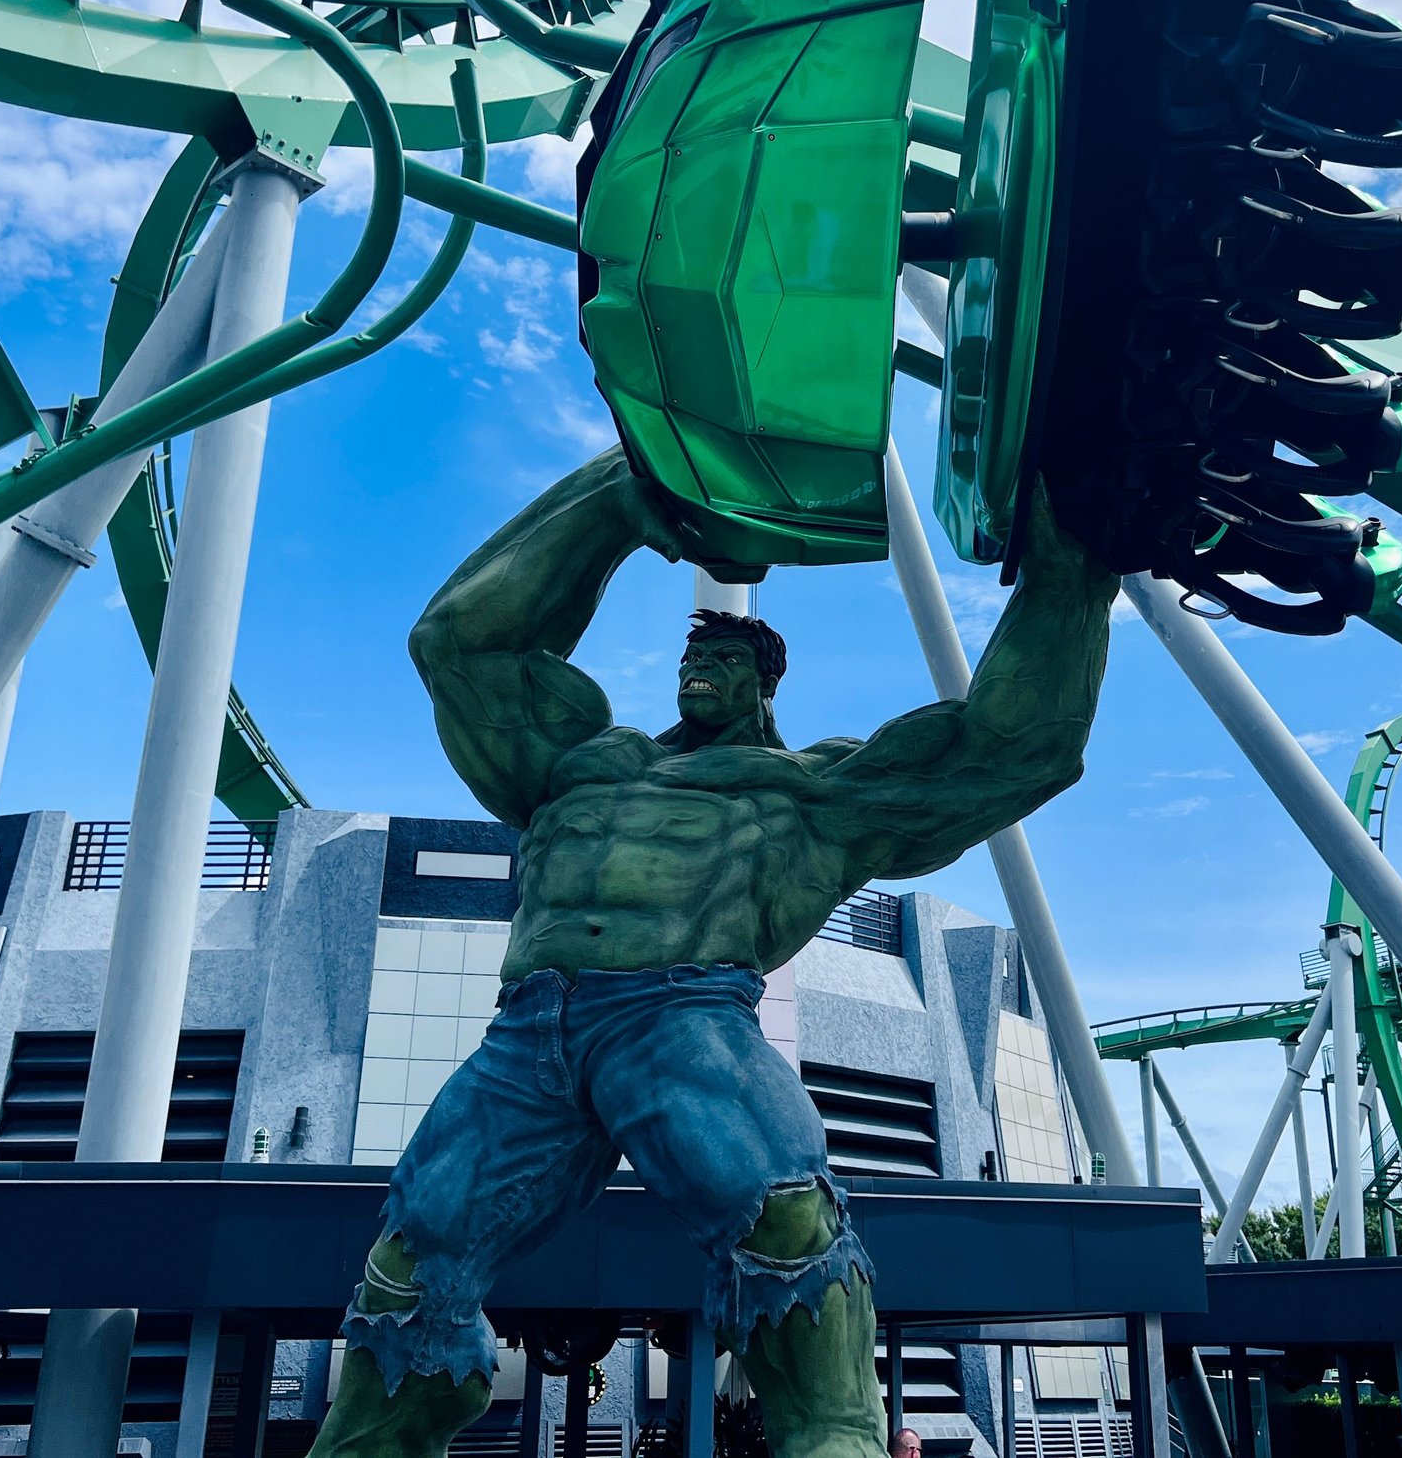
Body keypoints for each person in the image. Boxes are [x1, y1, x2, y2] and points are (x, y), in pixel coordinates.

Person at [304, 449, 1119, 1458]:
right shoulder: (582, 762)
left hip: (678, 1014)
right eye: (694, 660)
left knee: (782, 1219)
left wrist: (1072, 564)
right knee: (409, 1261)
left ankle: (836, 1434)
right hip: (526, 1032)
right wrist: (632, 492)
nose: (701, 671)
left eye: (726, 662)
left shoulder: (809, 792)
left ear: (766, 680)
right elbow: (458, 645)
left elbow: (1011, 750)